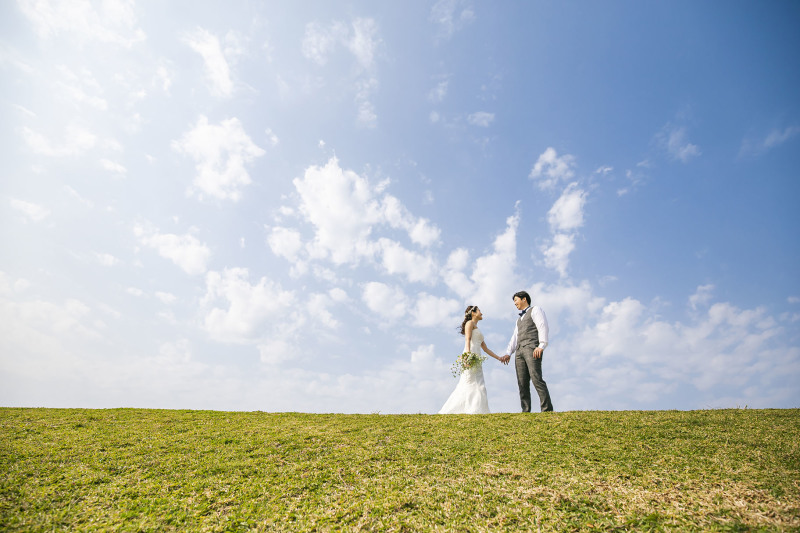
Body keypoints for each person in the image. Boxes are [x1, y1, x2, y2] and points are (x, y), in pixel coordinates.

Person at [439, 305, 508, 414]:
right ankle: (461, 409)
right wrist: (467, 356)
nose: (482, 313)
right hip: (470, 356)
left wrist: (499, 358)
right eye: (479, 311)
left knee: (479, 384)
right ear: (473, 313)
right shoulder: (469, 323)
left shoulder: (477, 328)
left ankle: (477, 409)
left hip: (477, 358)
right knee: (469, 382)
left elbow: (486, 349)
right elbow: (467, 339)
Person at [504, 291, 553, 412]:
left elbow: (543, 326)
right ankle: (525, 410)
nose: (515, 303)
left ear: (524, 299)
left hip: (532, 348)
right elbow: (515, 337)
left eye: (516, 300)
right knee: (522, 382)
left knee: (536, 378)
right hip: (519, 351)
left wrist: (541, 345)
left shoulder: (536, 310)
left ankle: (547, 409)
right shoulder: (518, 320)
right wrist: (508, 353)